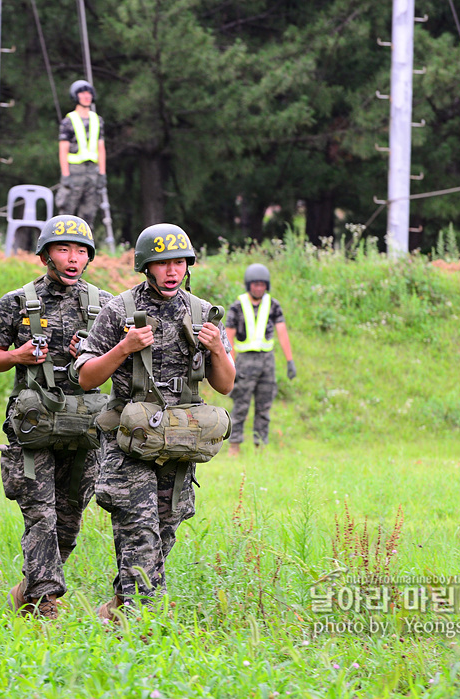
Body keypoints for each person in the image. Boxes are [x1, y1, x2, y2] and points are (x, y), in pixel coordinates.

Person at [76, 223, 235, 619]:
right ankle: (140, 626)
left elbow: (226, 385)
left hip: (178, 442)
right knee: (140, 534)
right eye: (163, 263)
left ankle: (116, 611)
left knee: (162, 535)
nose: (172, 271)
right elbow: (85, 376)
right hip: (128, 444)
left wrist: (217, 349)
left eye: (180, 262)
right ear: (147, 266)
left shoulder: (202, 312)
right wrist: (124, 348)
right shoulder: (120, 310)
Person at [0, 214, 113, 619]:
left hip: (86, 428)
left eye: (80, 251)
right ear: (45, 256)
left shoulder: (106, 305)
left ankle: (28, 587)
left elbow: (123, 361)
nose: (73, 258)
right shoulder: (17, 302)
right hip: (35, 426)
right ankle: (44, 605)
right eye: (64, 249)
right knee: (41, 514)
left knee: (69, 522)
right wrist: (16, 356)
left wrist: (90, 356)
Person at [225, 263, 295, 455]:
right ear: (249, 285)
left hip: (267, 363)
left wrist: (290, 360)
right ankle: (234, 446)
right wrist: (231, 365)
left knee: (264, 406)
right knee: (240, 405)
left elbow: (282, 332)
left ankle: (260, 447)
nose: (259, 288)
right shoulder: (237, 306)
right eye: (255, 284)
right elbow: (228, 337)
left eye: (262, 285)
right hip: (245, 363)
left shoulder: (273, 305)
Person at [57, 80, 106, 227]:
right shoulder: (68, 121)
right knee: (67, 211)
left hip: (92, 172)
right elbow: (63, 149)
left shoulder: (97, 120)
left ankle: (84, 246)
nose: (86, 96)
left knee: (90, 211)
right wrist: (65, 175)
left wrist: (102, 173)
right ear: (76, 96)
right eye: (82, 93)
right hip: (74, 171)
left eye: (89, 93)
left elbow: (101, 147)